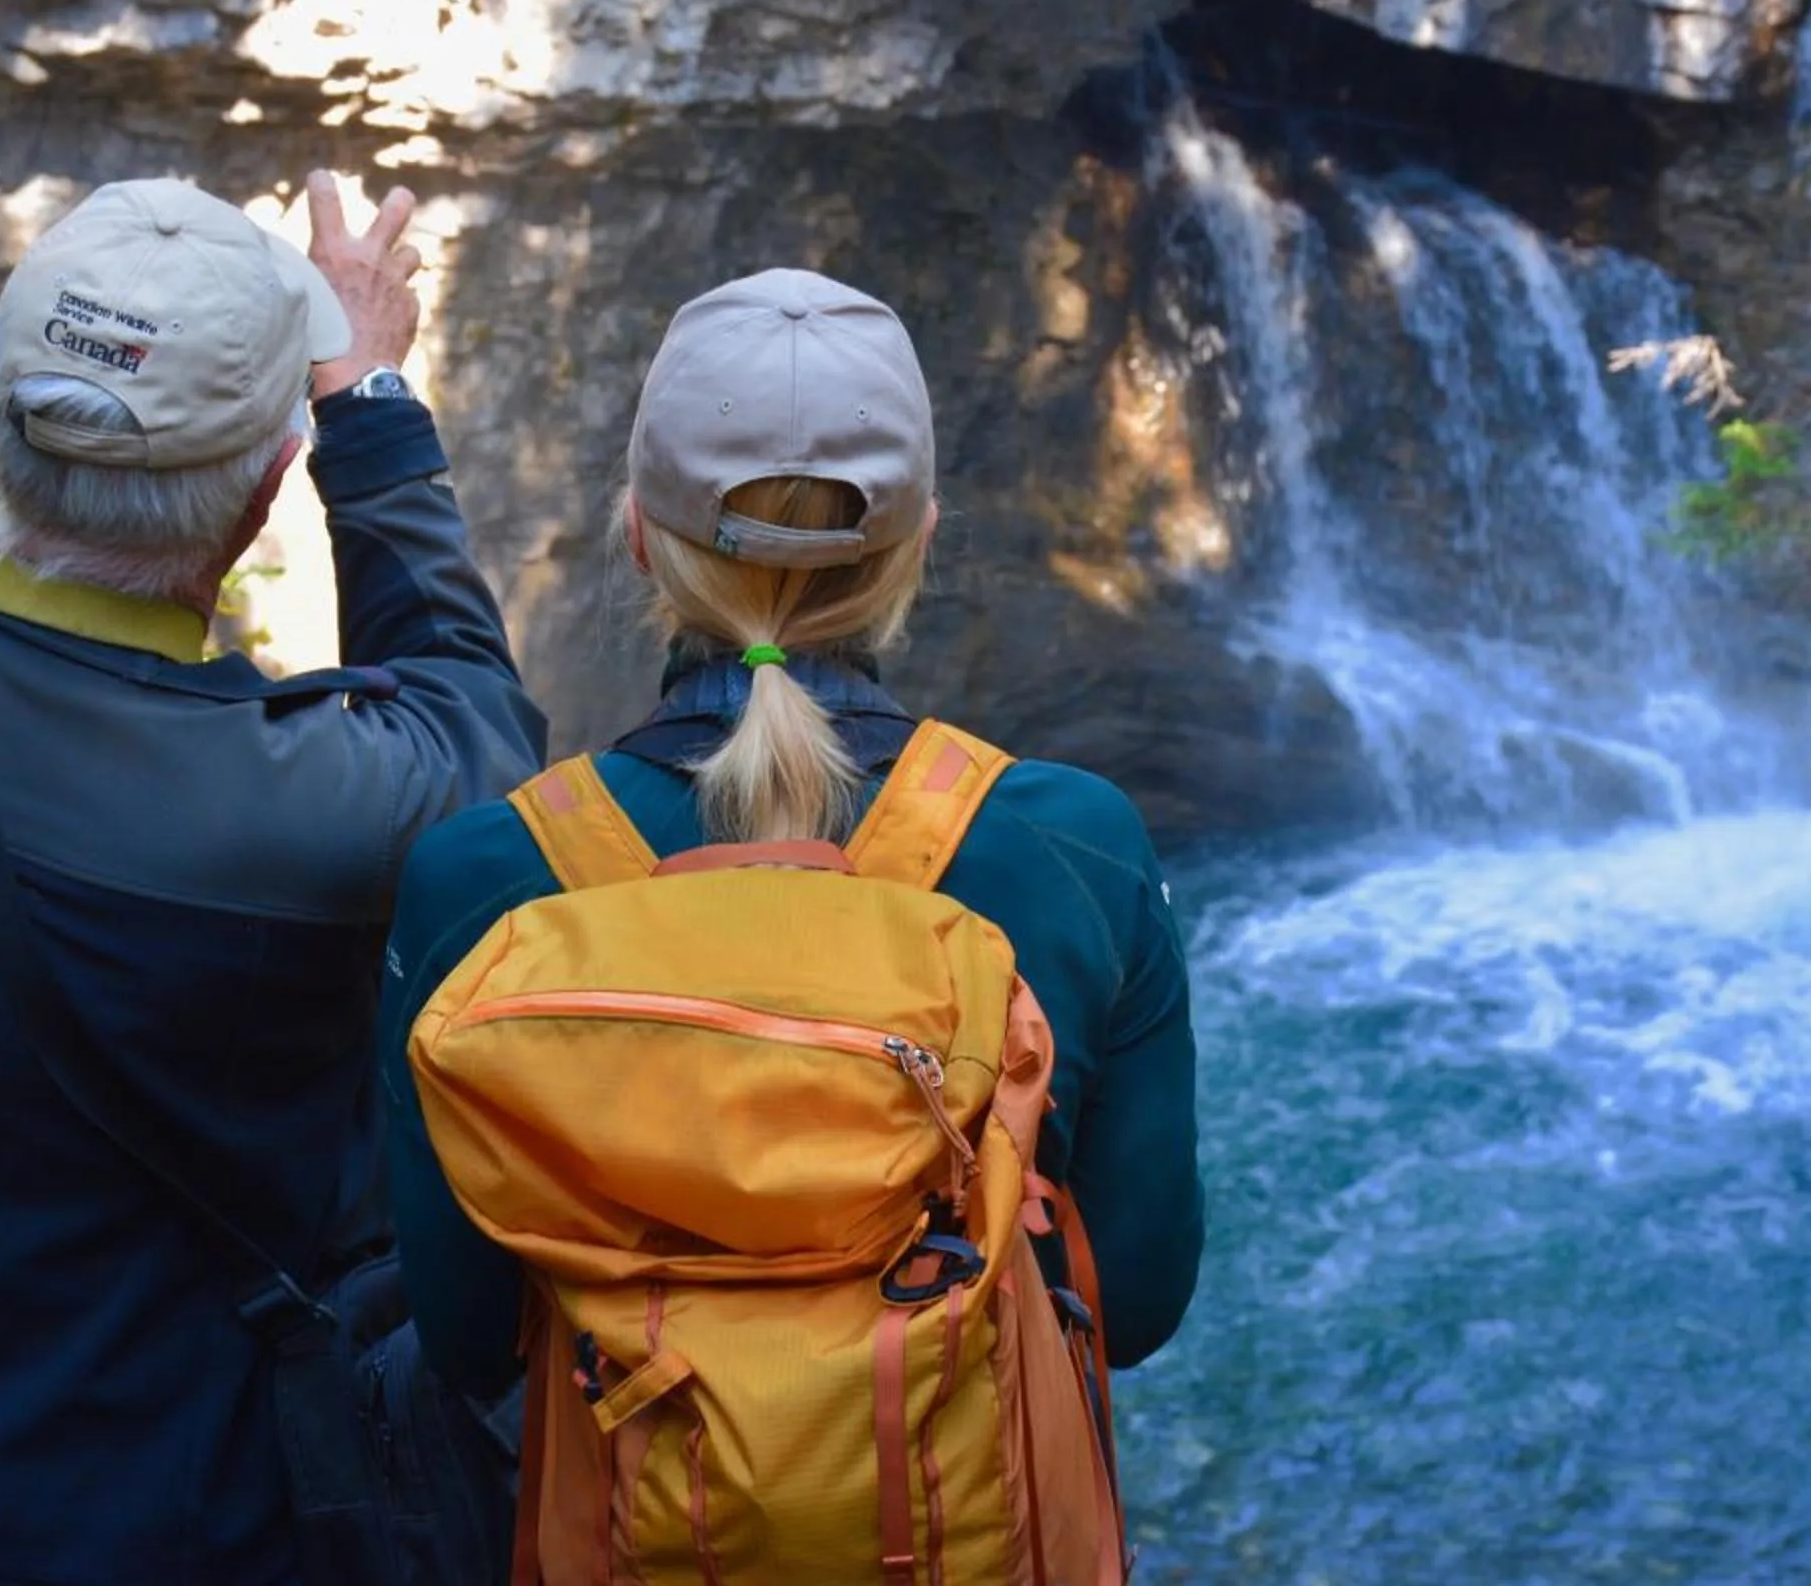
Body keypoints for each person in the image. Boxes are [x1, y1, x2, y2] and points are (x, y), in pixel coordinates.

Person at [0, 173, 545, 1586]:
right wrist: (367, 406)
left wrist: (61, 439)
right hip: (191, 1527)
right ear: (271, 488)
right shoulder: (312, 814)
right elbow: (475, 720)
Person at [378, 267, 1204, 1580]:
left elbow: (470, 1337)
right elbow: (1139, 1301)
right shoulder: (1076, 842)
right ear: (921, 538)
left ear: (638, 533)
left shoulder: (487, 877)